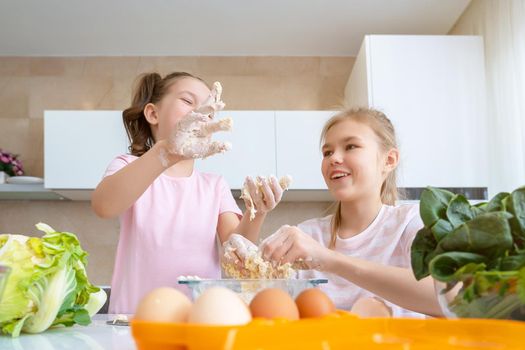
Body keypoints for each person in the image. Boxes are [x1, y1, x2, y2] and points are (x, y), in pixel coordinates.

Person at [91, 72, 283, 314]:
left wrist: (257, 211)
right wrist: (166, 153)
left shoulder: (214, 186)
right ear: (153, 114)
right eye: (188, 101)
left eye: (209, 111)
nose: (201, 114)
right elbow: (104, 206)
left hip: (198, 319)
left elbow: (235, 251)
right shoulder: (128, 166)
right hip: (134, 320)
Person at [226, 108, 442, 317]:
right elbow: (259, 294)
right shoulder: (307, 235)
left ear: (389, 160)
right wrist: (256, 213)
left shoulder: (410, 223)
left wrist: (330, 260)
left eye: (351, 146)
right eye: (327, 152)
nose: (333, 158)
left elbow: (447, 296)